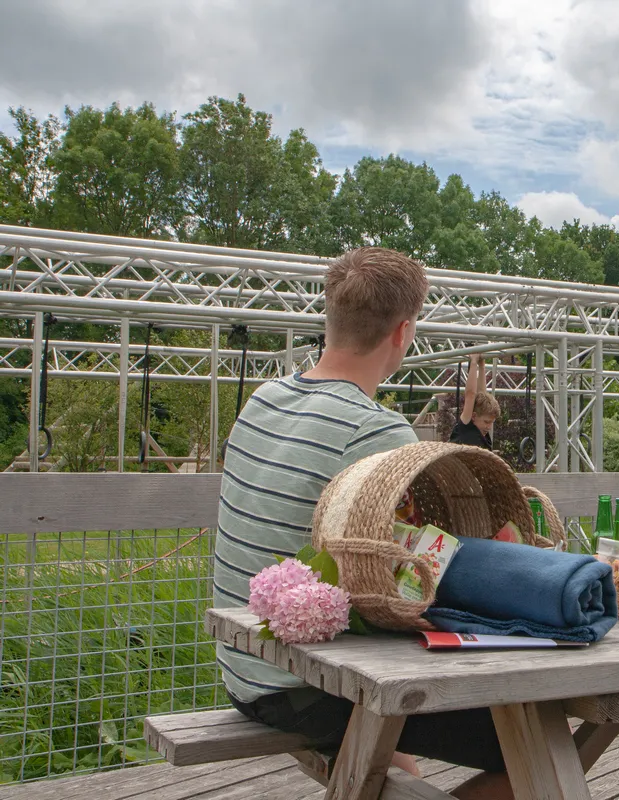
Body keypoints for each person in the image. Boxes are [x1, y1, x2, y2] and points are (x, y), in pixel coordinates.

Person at [214, 247, 514, 800]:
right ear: (403, 332)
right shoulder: (377, 431)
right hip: (310, 686)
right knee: (522, 742)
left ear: (331, 316)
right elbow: (413, 580)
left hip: (244, 669)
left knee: (392, 768)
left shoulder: (263, 400)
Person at [449, 354, 498, 449]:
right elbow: (470, 395)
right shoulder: (466, 425)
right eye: (486, 422)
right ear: (474, 416)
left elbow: (482, 394)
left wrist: (482, 365)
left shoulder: (485, 438)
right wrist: (474, 362)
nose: (489, 427)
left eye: (491, 422)